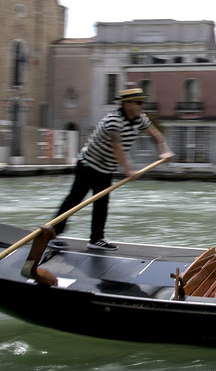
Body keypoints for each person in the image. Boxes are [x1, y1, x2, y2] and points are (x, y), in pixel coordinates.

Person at [49, 88, 172, 251]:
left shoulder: (140, 119)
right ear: (127, 104)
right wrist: (128, 170)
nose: (142, 106)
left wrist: (164, 150)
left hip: (105, 168)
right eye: (139, 103)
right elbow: (117, 147)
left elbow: (156, 135)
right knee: (74, 200)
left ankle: (96, 239)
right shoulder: (114, 121)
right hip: (88, 164)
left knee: (102, 204)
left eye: (143, 103)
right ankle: (52, 235)